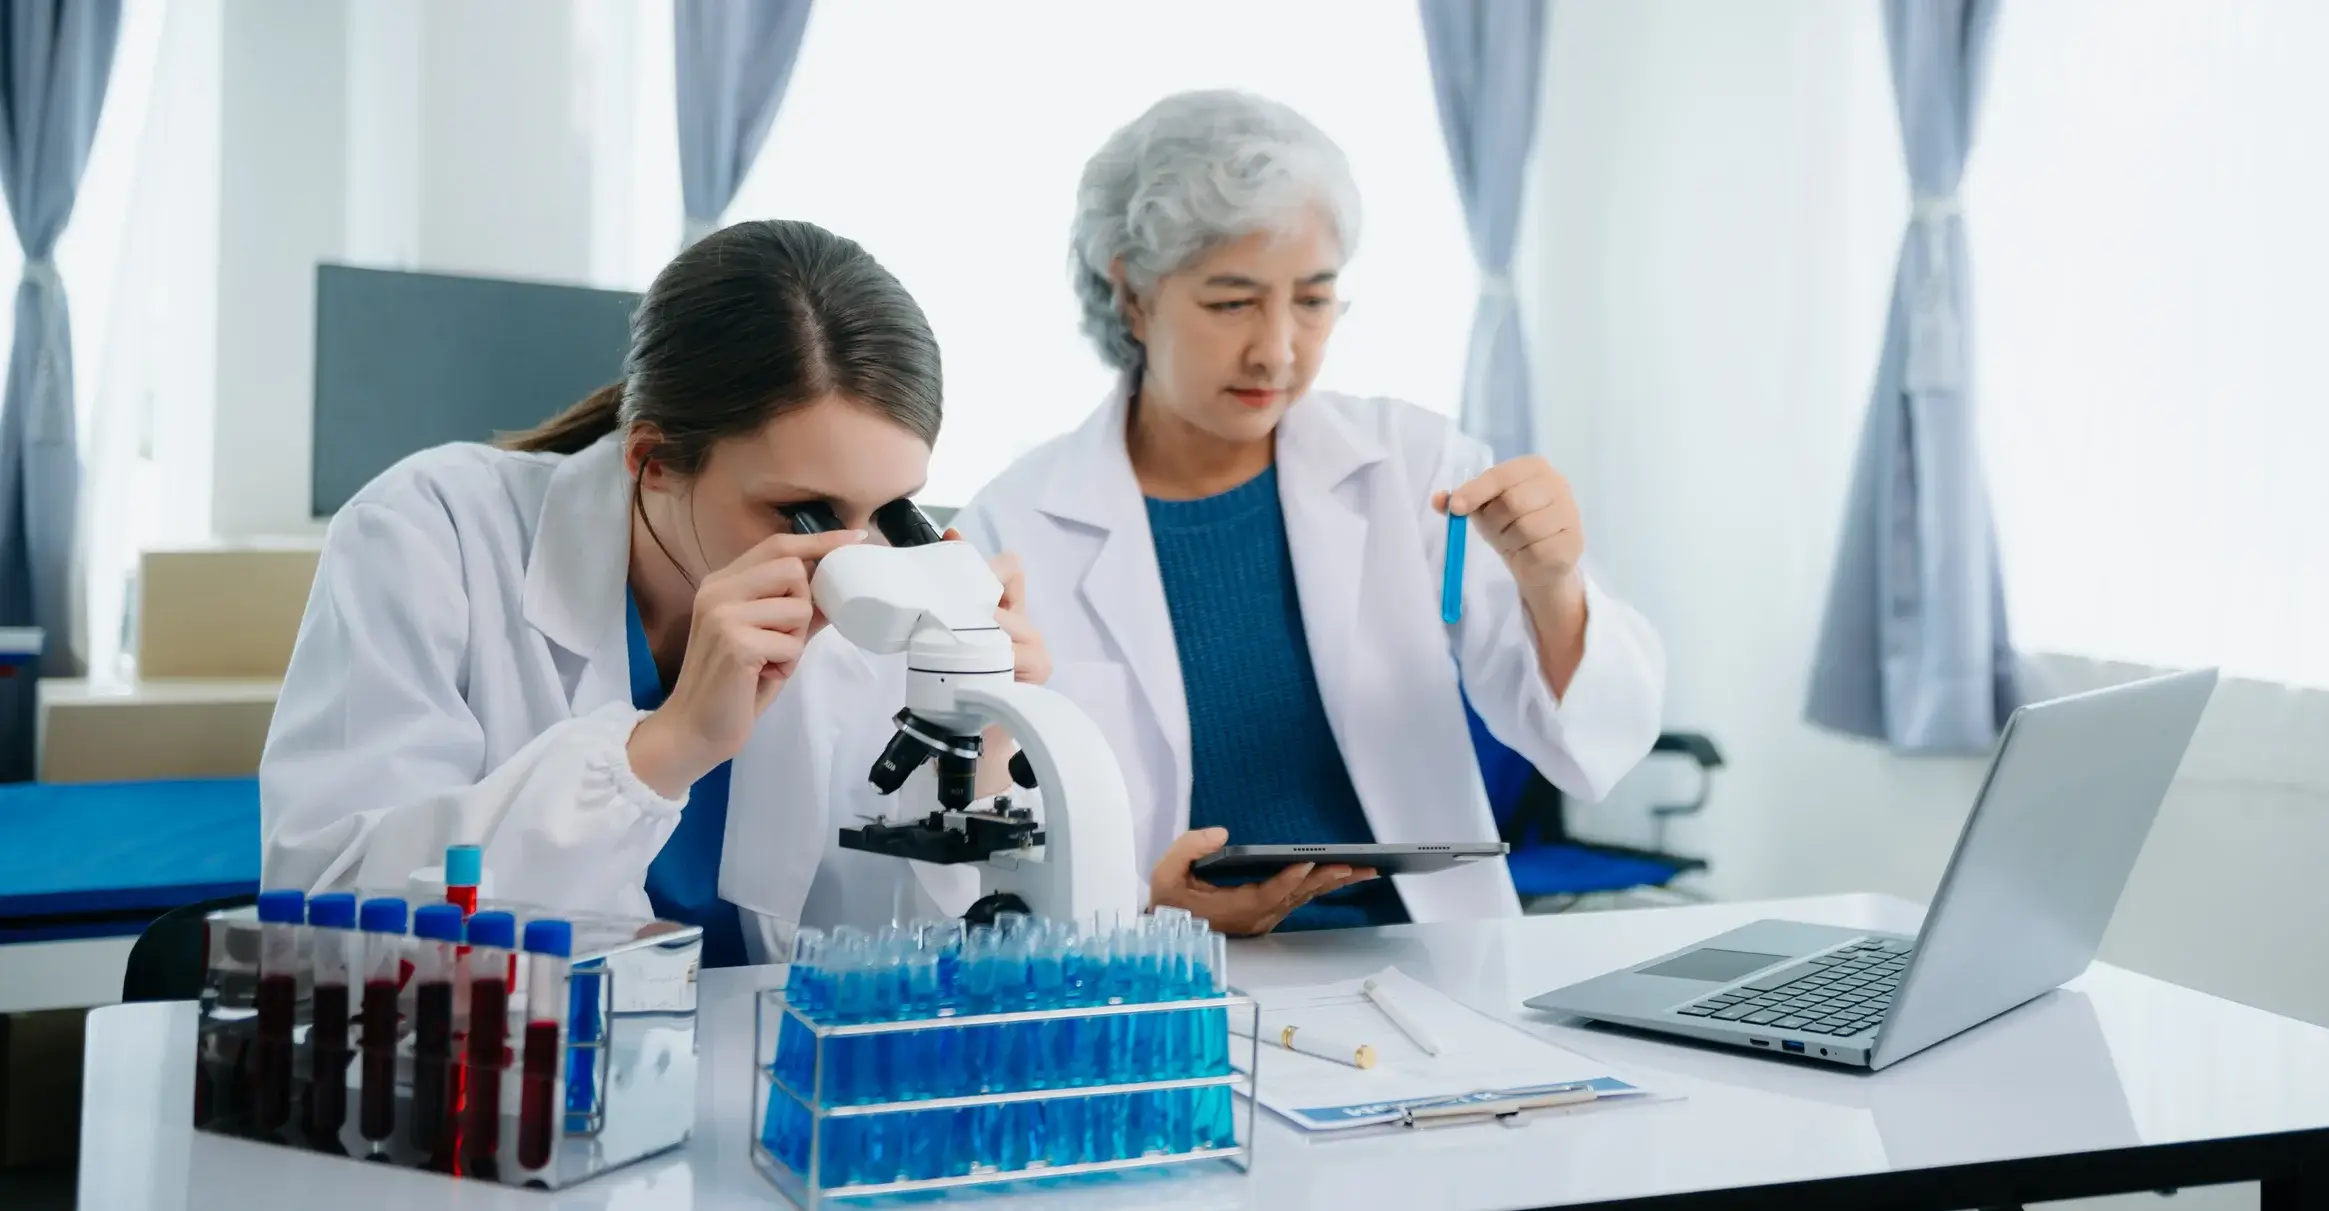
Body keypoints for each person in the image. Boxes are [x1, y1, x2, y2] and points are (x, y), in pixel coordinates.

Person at [953, 91, 1668, 937]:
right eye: (1232, 302)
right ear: (1132, 295)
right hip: (1159, 959)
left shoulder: (1412, 465)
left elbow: (1594, 745)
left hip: (1423, 950)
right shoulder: (1013, 527)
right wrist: (1145, 908)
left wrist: (1552, 586)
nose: (1278, 350)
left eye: (1315, 299)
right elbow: (967, 850)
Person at [259, 220, 1056, 965]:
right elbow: (333, 918)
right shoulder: (432, 535)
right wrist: (667, 747)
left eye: (889, 512)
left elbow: (900, 955)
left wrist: (982, 747)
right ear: (654, 460)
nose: (849, 559)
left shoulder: (885, 599)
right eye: (803, 512)